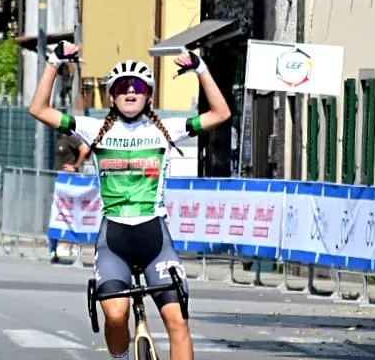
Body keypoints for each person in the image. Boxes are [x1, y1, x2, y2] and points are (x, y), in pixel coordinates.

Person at [29, 41, 230, 360]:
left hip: (154, 238)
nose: (130, 92)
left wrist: (200, 69)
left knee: (177, 321)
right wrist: (54, 61)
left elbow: (221, 113)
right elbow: (38, 109)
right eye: (122, 87)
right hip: (115, 239)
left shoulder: (166, 129)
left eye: (138, 86)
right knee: (116, 314)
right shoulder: (92, 129)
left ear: (148, 94)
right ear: (112, 95)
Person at [49, 134, 91, 263]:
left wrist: (76, 166)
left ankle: (75, 248)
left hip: (70, 183)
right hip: (60, 183)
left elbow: (85, 150)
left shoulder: (71, 137)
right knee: (55, 216)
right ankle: (53, 251)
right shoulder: (58, 137)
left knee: (73, 216)